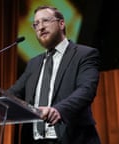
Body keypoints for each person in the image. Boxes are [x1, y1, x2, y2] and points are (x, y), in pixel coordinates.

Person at [7, 6, 101, 144]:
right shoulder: (33, 63)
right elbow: (13, 93)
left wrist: (58, 110)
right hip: (35, 140)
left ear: (61, 23)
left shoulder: (84, 54)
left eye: (45, 21)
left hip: (72, 138)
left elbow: (86, 90)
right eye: (36, 24)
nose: (40, 27)